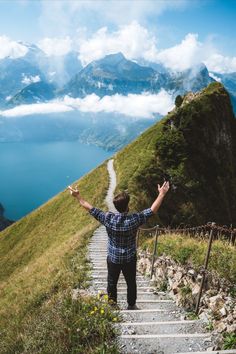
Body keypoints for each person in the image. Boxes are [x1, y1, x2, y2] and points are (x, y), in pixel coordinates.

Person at [68, 181, 169, 310]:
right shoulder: (134, 219)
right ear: (128, 206)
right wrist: (162, 194)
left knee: (111, 282)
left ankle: (112, 305)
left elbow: (90, 208)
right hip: (129, 258)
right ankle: (131, 305)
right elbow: (152, 210)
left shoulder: (108, 218)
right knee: (131, 282)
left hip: (113, 258)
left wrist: (78, 196)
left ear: (116, 207)